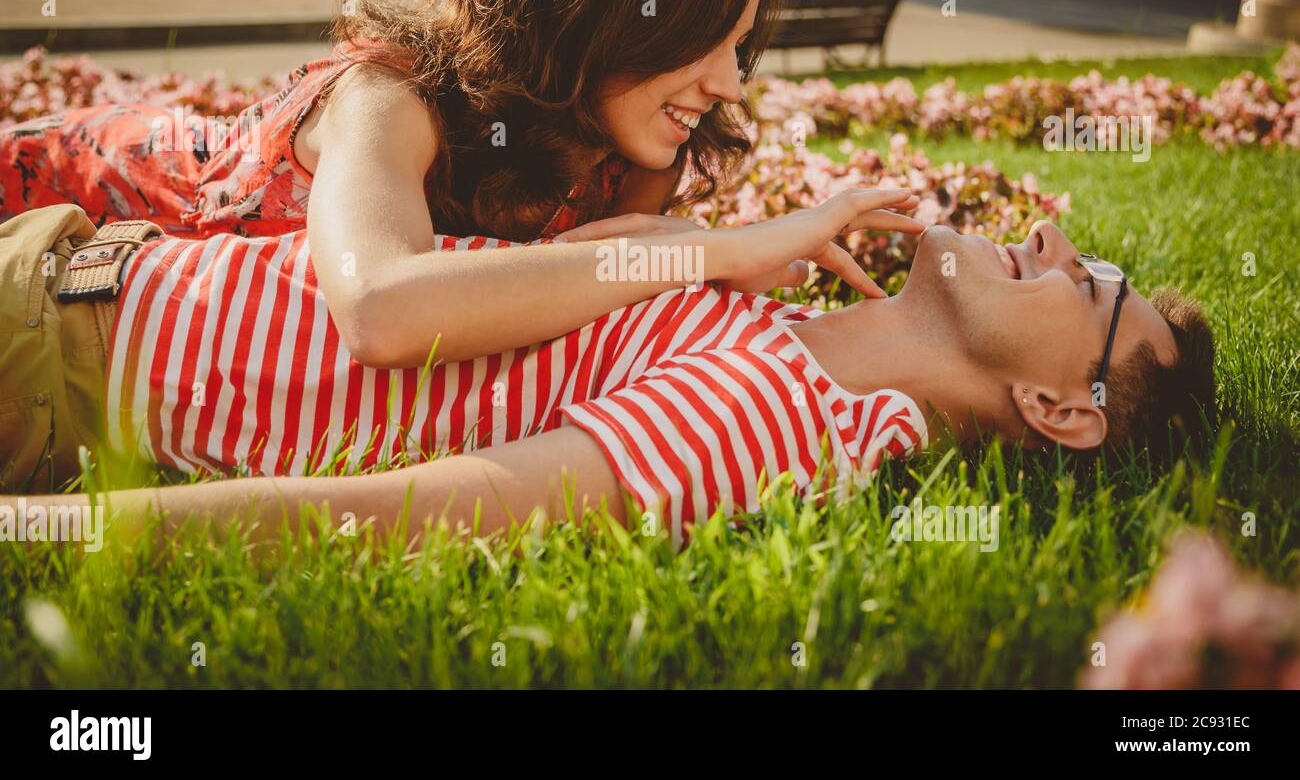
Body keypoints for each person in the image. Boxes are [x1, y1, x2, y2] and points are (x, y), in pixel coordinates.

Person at [0, 0, 818, 370]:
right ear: (598, 12)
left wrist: (684, 251)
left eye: (738, 48)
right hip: (60, 190)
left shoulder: (637, 155)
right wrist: (695, 254)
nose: (730, 85)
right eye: (702, 41)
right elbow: (383, 314)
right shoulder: (392, 98)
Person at [0, 199, 1216, 548]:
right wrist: (721, 246)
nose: (1052, 241)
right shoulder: (774, 323)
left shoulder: (780, 420)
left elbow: (422, 513)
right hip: (78, 265)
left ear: (1062, 412)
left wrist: (32, 536)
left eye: (1089, 287)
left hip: (55, 361)